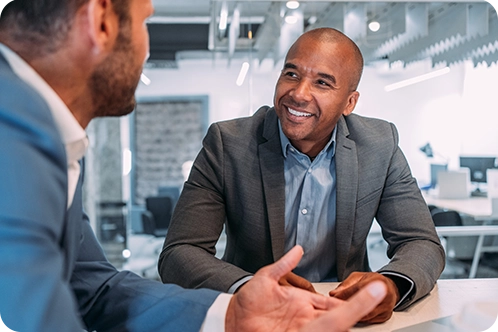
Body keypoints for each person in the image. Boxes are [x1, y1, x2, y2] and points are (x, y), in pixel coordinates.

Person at [0, 1, 389, 331]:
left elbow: (93, 288)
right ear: (100, 21)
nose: (148, 49)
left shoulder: (55, 141)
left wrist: (231, 313)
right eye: (144, 22)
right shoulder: (14, 139)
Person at [159, 27, 446, 324]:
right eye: (292, 74)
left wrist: (392, 284)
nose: (298, 94)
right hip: (254, 319)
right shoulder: (227, 143)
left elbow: (422, 242)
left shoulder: (379, 145)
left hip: (343, 316)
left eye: (322, 83)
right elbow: (180, 253)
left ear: (349, 103)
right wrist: (248, 288)